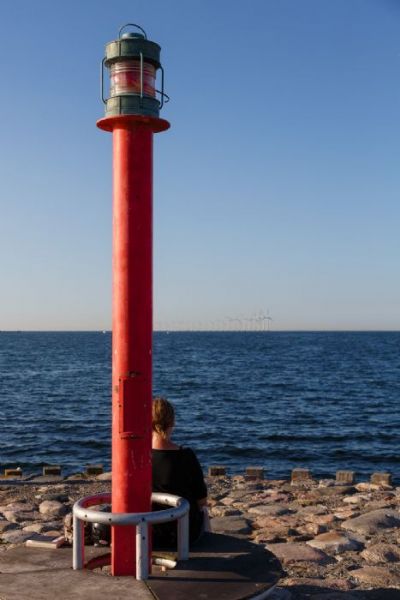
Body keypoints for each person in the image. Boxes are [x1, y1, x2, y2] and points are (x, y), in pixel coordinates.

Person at [152, 397, 208, 547]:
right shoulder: (186, 456)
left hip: (147, 532)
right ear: (172, 422)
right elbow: (202, 501)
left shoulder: (138, 457)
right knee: (204, 512)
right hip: (182, 533)